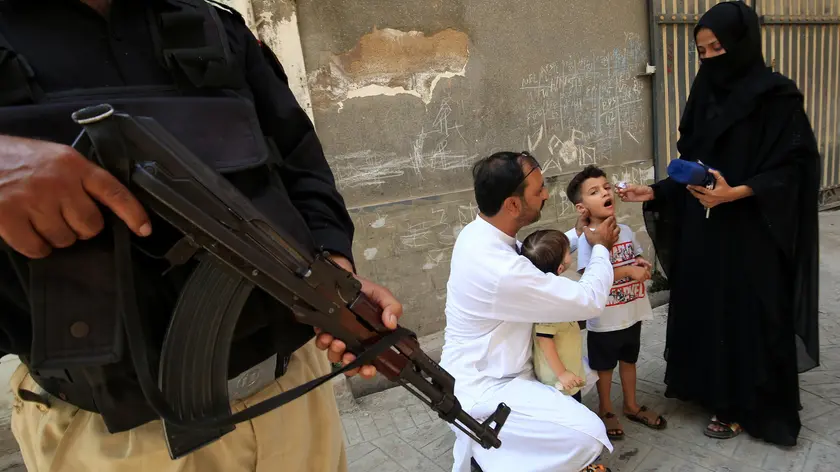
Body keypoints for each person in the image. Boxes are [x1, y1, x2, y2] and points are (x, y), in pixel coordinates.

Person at [0, 1, 401, 470]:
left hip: (291, 396)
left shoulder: (215, 29)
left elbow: (300, 166)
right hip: (118, 441)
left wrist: (334, 268)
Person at [617, 1, 820, 447]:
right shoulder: (705, 93)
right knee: (708, 308)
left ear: (741, 43)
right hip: (704, 228)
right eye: (702, 51)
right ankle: (713, 391)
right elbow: (694, 162)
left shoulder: (777, 96)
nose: (709, 59)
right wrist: (654, 190)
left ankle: (746, 403)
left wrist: (737, 192)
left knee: (747, 312)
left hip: (752, 229)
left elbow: (795, 168)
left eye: (716, 48)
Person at [440, 151, 621, 472]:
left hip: (492, 370)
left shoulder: (478, 234)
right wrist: (602, 249)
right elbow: (588, 299)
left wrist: (577, 237)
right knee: (589, 435)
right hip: (489, 386)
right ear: (512, 204)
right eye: (538, 191)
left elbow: (530, 258)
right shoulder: (500, 270)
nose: (547, 194)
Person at [567, 165, 665, 441]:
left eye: (606, 187)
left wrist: (640, 264)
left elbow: (634, 257)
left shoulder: (625, 230)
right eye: (594, 191)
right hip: (605, 320)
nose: (605, 192)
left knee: (629, 361)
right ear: (581, 208)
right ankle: (607, 410)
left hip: (631, 312)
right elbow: (591, 276)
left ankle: (632, 405)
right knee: (605, 368)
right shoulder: (590, 239)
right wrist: (628, 272)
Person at [520, 229, 587, 402]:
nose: (569, 250)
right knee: (570, 414)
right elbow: (545, 340)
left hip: (566, 370)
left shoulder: (548, 291)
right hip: (558, 380)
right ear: (560, 267)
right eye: (567, 250)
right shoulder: (550, 302)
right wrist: (562, 373)